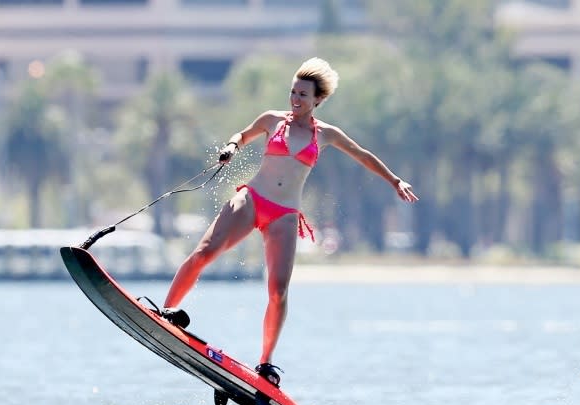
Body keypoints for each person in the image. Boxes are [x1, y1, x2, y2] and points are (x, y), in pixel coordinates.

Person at [159, 57, 418, 386]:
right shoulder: (272, 120)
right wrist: (231, 146)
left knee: (278, 292)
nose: (295, 100)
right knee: (204, 252)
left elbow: (363, 155)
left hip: (284, 215)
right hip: (253, 199)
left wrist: (395, 181)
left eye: (303, 95)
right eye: (293, 92)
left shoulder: (326, 134)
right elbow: (242, 135)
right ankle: (166, 313)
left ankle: (265, 364)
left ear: (317, 100)